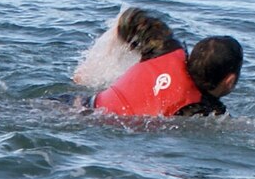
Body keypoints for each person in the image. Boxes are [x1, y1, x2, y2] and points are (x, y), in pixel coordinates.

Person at [83, 7, 242, 118]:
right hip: (103, 125)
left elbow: (130, 18)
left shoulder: (167, 49)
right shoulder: (206, 112)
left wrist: (92, 65)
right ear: (229, 81)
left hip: (81, 104)